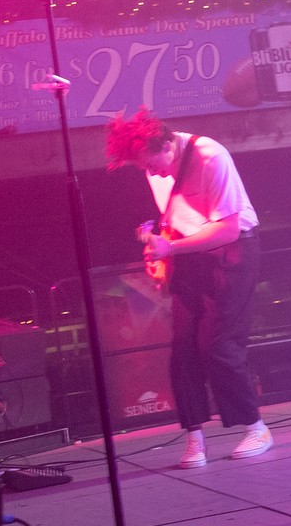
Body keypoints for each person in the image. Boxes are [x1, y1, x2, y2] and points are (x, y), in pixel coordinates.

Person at [105, 107, 272, 468]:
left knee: (218, 344)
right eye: (144, 168)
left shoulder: (211, 157)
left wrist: (172, 249)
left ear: (165, 144)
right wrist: (158, 248)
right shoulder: (154, 164)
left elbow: (228, 229)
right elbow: (177, 220)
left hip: (233, 252)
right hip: (190, 255)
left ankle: (256, 427)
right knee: (182, 349)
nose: (152, 173)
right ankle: (195, 438)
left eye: (152, 165)